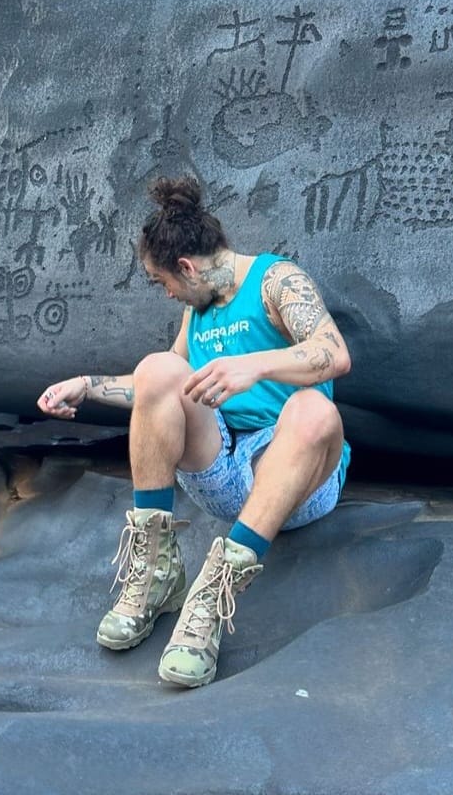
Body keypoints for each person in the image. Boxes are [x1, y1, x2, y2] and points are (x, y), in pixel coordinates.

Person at [37, 175, 351, 688]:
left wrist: (255, 366)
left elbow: (335, 354)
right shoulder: (197, 312)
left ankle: (212, 593)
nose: (166, 293)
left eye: (164, 282)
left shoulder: (277, 281)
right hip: (224, 473)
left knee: (315, 411)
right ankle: (157, 576)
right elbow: (156, 394)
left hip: (295, 484)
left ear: (186, 267)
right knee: (159, 368)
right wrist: (86, 386)